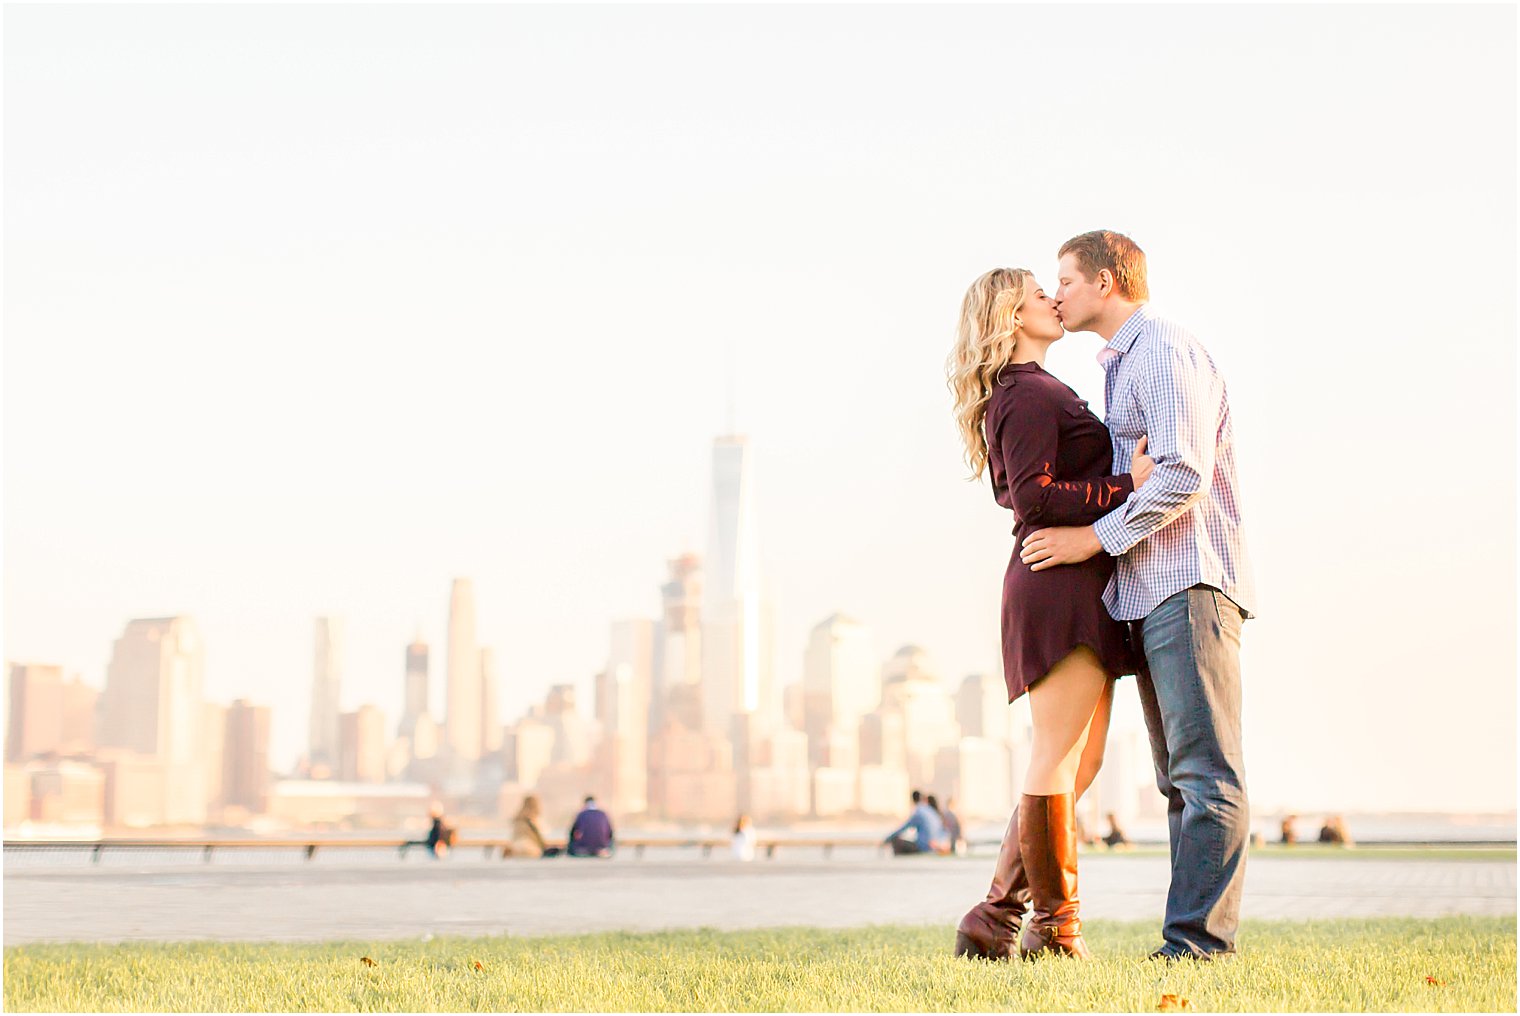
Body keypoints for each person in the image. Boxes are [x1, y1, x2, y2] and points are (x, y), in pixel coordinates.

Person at [1021, 230, 1256, 962]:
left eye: (1065, 279)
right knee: (1177, 780)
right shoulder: (1123, 367)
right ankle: (1189, 940)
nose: (1056, 294)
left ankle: (1198, 947)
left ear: (1106, 280)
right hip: (1151, 592)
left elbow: (1181, 475)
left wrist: (1093, 540)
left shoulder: (1160, 351)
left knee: (1204, 775)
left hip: (1188, 583)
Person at [947, 268, 1151, 959]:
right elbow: (1034, 499)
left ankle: (998, 913)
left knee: (1080, 760)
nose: (1054, 300)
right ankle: (1055, 930)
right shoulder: (1027, 391)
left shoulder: (1032, 390)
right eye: (1040, 292)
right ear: (1011, 315)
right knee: (1056, 756)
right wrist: (1131, 484)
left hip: (1077, 579)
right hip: (1056, 585)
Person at [883, 790, 946, 856]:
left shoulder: (918, 812)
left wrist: (887, 839)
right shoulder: (931, 811)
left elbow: (903, 828)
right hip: (935, 846)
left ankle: (900, 862)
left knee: (895, 840)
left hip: (924, 847)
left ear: (912, 800)